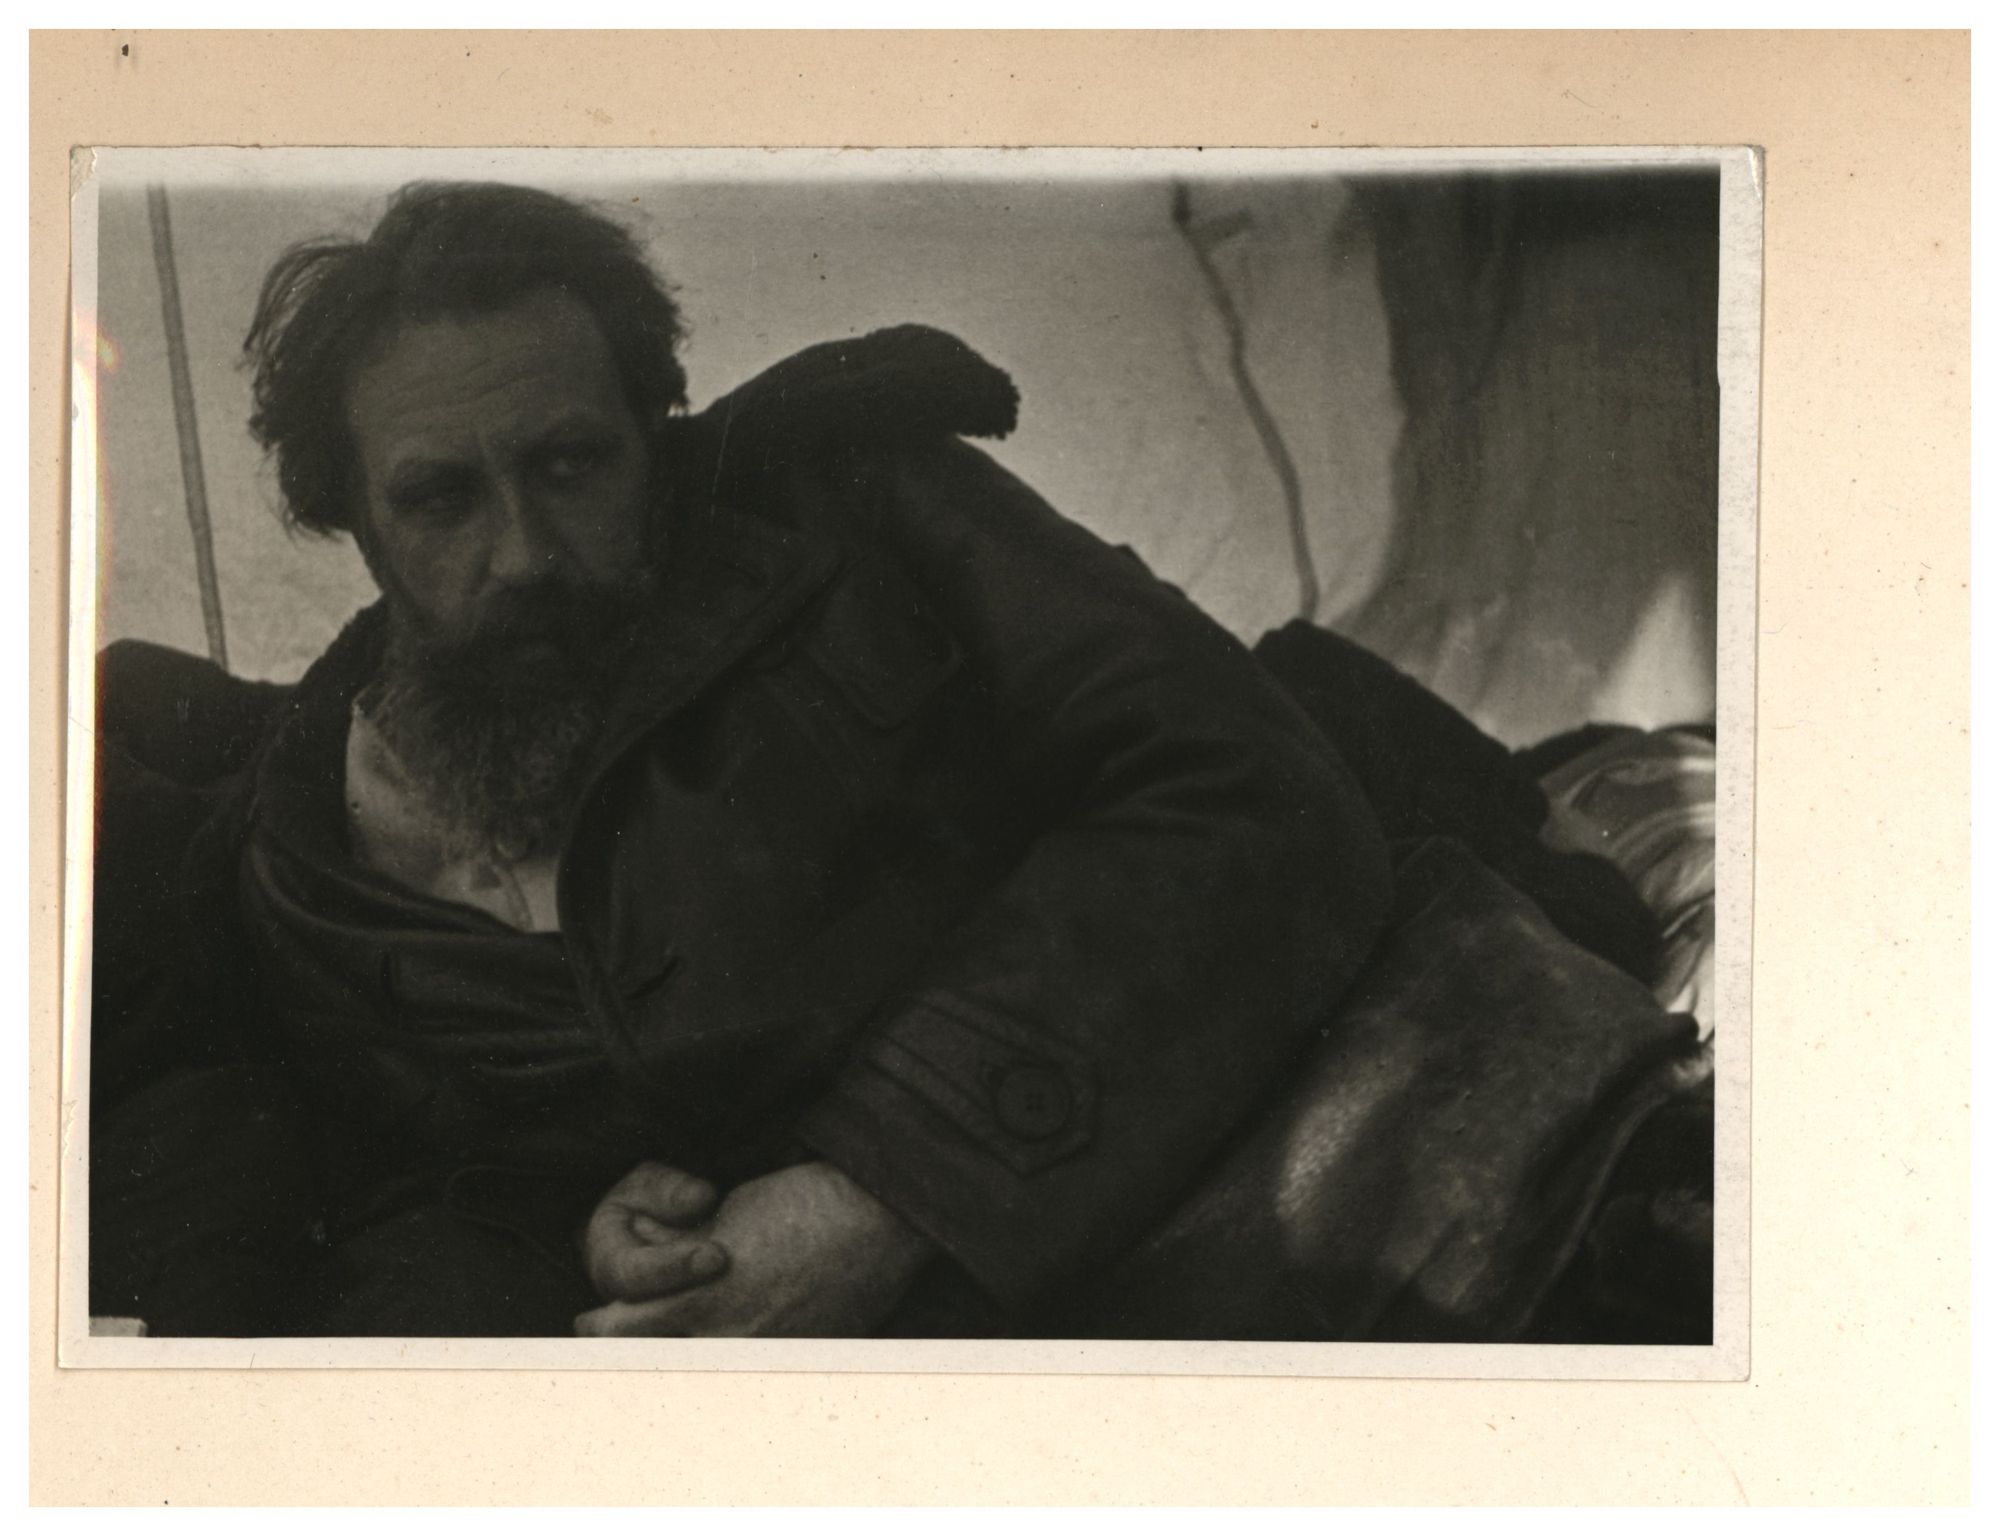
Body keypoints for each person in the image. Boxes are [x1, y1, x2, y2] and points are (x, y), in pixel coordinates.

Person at [89, 181, 1399, 1337]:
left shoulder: (862, 516)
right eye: (441, 499)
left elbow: (1245, 791)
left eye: (571, 464)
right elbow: (427, 1187)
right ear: (354, 521)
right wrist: (606, 1230)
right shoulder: (303, 867)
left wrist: (883, 1192)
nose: (525, 553)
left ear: (651, 426)